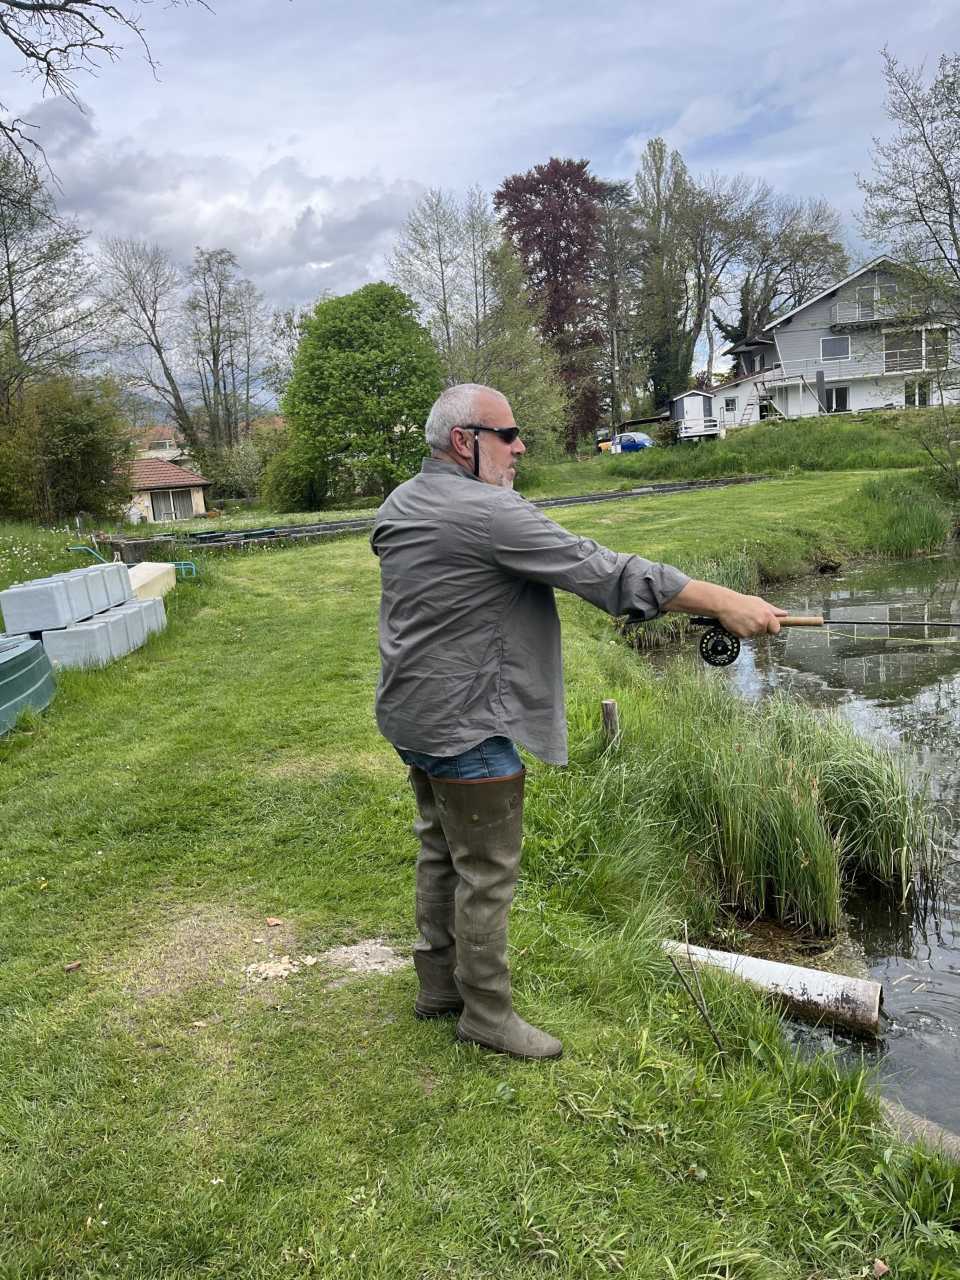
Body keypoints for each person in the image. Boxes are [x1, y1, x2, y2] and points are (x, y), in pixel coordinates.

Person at [371, 384, 785, 1061]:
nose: (520, 446)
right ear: (462, 441)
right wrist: (728, 601)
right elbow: (609, 573)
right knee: (485, 872)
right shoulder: (489, 514)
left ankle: (438, 986)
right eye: (506, 435)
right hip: (467, 723)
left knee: (440, 850)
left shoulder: (403, 503)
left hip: (411, 715)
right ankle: (486, 1013)